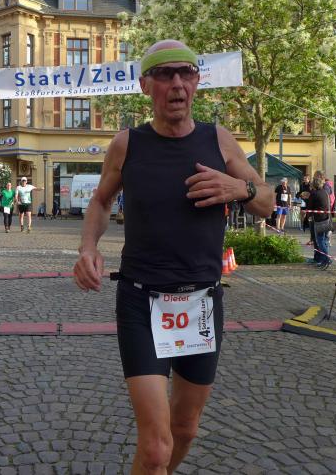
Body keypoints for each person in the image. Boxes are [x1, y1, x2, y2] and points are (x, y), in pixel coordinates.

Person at [73, 39, 273, 473]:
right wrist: (88, 248)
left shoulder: (219, 140)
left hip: (201, 303)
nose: (177, 83)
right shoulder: (127, 144)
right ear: (146, 85)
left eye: (186, 73)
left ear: (197, 82)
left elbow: (267, 201)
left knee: (185, 429)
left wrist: (240, 188)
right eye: (165, 74)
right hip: (141, 301)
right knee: (156, 448)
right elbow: (101, 201)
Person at [305, 177, 331, 268]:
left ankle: (327, 260)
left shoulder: (314, 194)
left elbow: (310, 207)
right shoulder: (325, 192)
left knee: (320, 241)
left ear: (314, 185)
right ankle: (322, 259)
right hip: (326, 219)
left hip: (319, 220)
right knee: (324, 241)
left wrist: (308, 216)